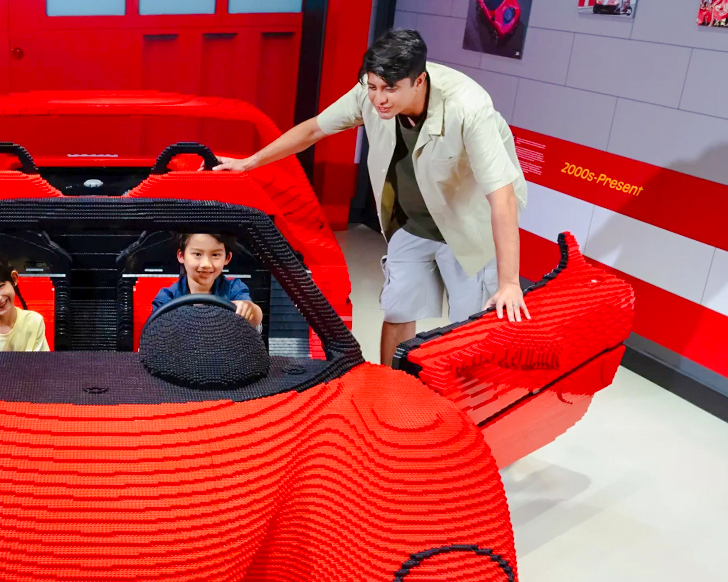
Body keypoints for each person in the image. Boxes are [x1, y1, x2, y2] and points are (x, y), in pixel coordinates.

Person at [214, 28, 528, 364]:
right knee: (397, 310)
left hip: (469, 225)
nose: (379, 99)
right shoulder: (371, 91)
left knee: (469, 328)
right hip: (413, 222)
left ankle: (462, 394)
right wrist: (250, 162)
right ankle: (392, 384)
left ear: (419, 82)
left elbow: (502, 197)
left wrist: (510, 282)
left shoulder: (469, 107)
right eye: (373, 86)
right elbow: (314, 129)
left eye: (390, 89)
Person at [149, 233, 264, 327]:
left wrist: (250, 309)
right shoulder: (167, 297)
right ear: (181, 256)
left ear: (227, 258)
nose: (206, 264)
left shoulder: (234, 289)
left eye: (215, 255)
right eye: (197, 254)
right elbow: (155, 332)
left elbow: (255, 317)